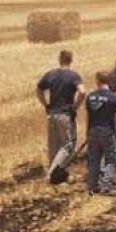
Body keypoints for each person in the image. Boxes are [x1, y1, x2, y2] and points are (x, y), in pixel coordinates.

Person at [36, 50, 86, 184]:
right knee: (68, 145)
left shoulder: (51, 74)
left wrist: (45, 105)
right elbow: (82, 91)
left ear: (60, 59)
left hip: (51, 114)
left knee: (54, 146)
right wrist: (75, 106)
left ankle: (57, 178)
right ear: (71, 60)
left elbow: (39, 89)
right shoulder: (73, 76)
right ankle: (52, 175)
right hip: (65, 114)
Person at [86, 71, 116, 195]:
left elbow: (89, 115)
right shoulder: (113, 97)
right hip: (107, 131)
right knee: (111, 159)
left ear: (97, 81)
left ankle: (92, 186)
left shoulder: (90, 97)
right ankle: (106, 186)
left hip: (92, 130)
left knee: (94, 159)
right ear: (109, 81)